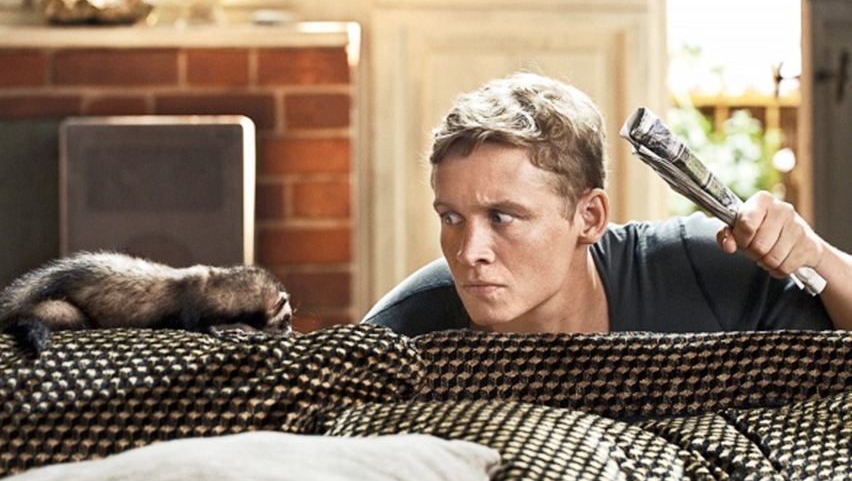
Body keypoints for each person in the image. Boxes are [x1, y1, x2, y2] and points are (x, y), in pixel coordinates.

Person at [363, 72, 852, 337]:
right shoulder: (408, 328)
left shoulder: (697, 265)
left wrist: (815, 255)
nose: (469, 252)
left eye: (502, 217)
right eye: (451, 217)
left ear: (589, 216)